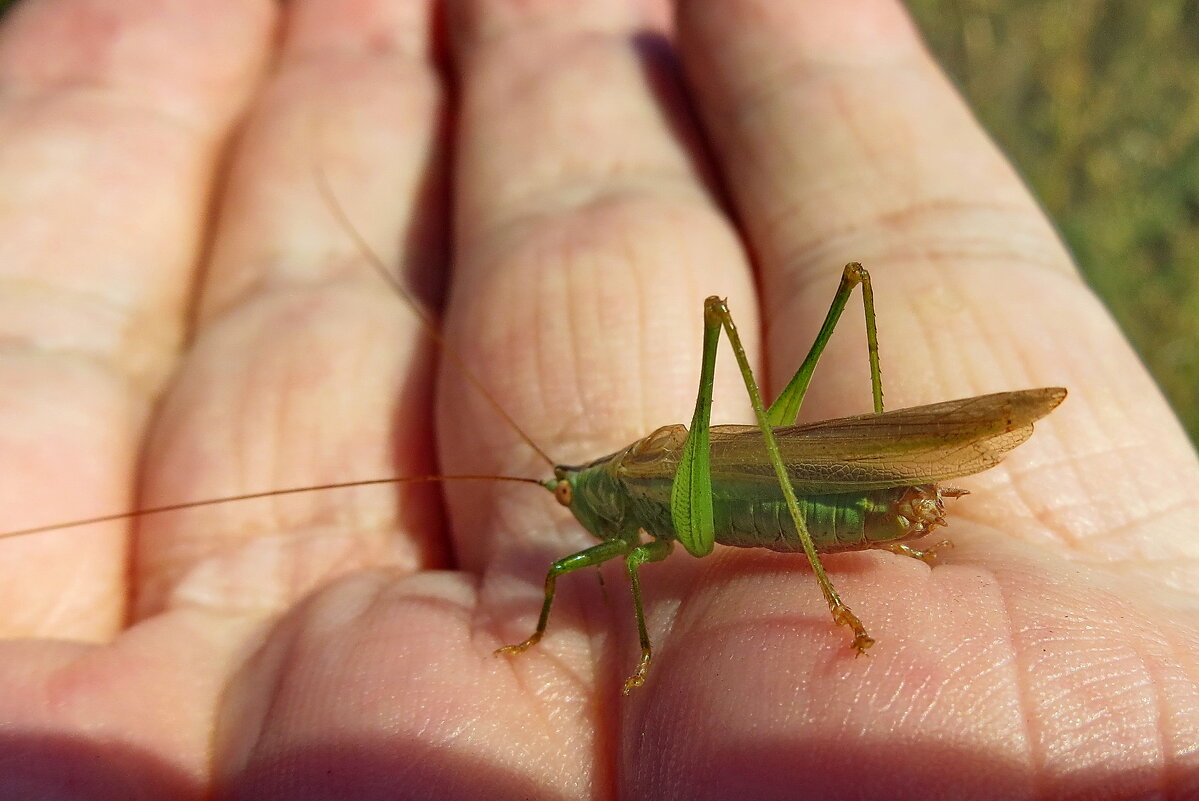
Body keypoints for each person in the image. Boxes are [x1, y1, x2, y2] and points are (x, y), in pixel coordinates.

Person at [0, 0, 1195, 798]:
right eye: (572, 495)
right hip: (790, 494)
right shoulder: (609, 519)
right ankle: (882, 479)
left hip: (814, 511)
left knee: (727, 382)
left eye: (573, 495)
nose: (571, 518)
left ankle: (873, 499)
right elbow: (592, 562)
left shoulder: (623, 518)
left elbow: (604, 560)